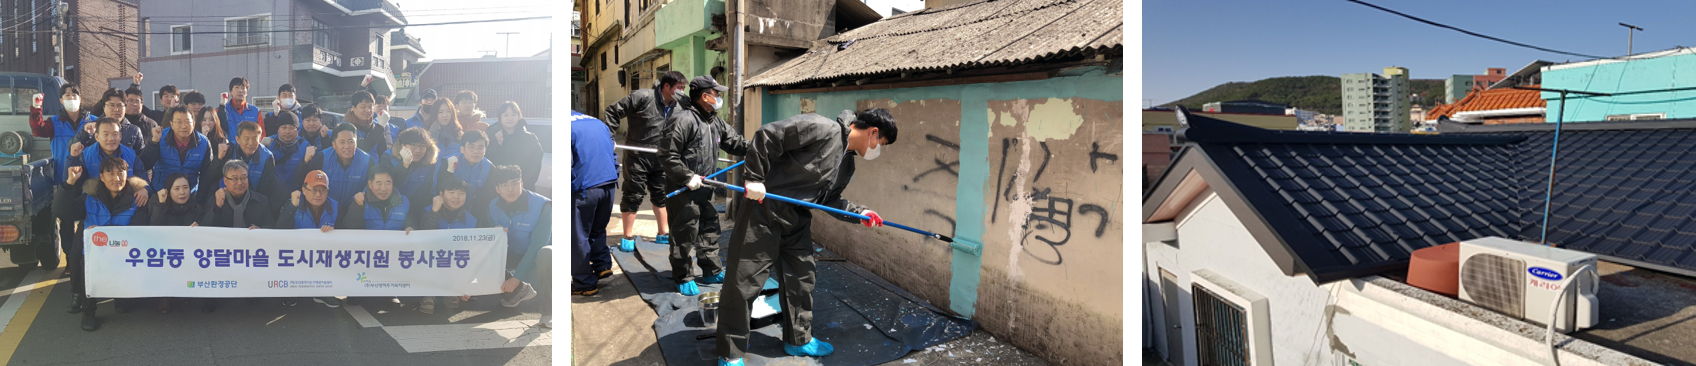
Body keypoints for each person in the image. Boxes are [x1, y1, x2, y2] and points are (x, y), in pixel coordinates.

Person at [717, 108, 899, 363]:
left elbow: (830, 200)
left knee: (801, 279)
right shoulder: (821, 128)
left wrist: (860, 212)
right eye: (881, 143)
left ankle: (798, 340)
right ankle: (730, 353)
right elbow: (767, 135)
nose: (878, 149)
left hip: (797, 220)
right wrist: (754, 178)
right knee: (744, 282)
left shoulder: (847, 164)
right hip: (763, 212)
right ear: (874, 132)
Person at [660, 77, 750, 295]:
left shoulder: (714, 122)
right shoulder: (683, 119)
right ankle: (683, 275)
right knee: (684, 231)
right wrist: (687, 176)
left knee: (709, 228)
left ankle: (710, 270)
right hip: (684, 188)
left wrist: (761, 148)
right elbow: (667, 154)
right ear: (704, 96)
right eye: (716, 93)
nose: (718, 97)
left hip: (706, 185)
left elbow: (736, 143)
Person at [55, 156, 151, 331]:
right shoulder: (89, 198)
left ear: (127, 175)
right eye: (111, 174)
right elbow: (62, 211)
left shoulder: (138, 199)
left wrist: (108, 235)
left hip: (124, 253)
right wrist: (69, 183)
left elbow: (141, 228)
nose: (116, 178)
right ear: (101, 176)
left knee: (123, 306)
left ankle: (125, 297)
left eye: (121, 173)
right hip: (95, 254)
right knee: (85, 265)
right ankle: (89, 311)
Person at [603, 71, 688, 252]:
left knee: (661, 194)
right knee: (633, 193)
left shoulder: (679, 107)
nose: (682, 92)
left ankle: (663, 233)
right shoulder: (642, 97)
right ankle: (627, 235)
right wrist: (609, 138)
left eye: (684, 88)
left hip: (663, 157)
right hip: (637, 155)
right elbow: (612, 111)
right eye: (679, 88)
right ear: (667, 86)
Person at [28, 83, 95, 275]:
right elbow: (37, 129)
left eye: (74, 94)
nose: (71, 98)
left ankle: (91, 256)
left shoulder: (93, 120)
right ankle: (70, 258)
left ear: (80, 98)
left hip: (91, 178)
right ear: (60, 100)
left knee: (91, 216)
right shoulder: (54, 122)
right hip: (65, 179)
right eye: (67, 95)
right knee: (66, 221)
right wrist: (36, 109)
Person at [412, 173, 479, 314]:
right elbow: (424, 236)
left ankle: (452, 290)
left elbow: (472, 250)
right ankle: (429, 294)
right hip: (431, 259)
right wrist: (435, 211)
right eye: (451, 192)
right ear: (441, 194)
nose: (456, 197)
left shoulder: (471, 220)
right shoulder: (428, 211)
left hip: (454, 263)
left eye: (461, 193)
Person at [272, 170, 341, 308]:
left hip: (323, 254)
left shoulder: (335, 206)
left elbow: (344, 231)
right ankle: (291, 291)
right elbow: (280, 230)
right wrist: (292, 207)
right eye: (314, 190)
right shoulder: (293, 203)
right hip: (297, 253)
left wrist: (335, 232)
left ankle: (323, 292)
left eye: (323, 190)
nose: (318, 194)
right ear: (304, 189)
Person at [569, 110, 617, 296]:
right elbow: (613, 152)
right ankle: (602, 264)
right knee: (597, 228)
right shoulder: (596, 121)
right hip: (608, 183)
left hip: (584, 187)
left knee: (577, 236)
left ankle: (584, 283)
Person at [484, 165, 544, 311]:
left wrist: (516, 278)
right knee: (480, 255)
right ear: (497, 189)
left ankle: (548, 310)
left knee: (546, 254)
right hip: (513, 254)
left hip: (540, 257)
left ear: (522, 184)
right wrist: (494, 234)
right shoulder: (493, 205)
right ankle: (520, 292)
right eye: (504, 185)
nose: (510, 189)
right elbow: (487, 241)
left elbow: (537, 246)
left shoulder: (543, 205)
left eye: (514, 184)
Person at [143, 173, 204, 314]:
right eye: (176, 188)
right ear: (168, 191)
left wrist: (200, 228)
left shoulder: (197, 207)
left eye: (185, 187)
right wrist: (161, 204)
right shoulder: (158, 203)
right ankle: (164, 298)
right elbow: (154, 230)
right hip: (165, 253)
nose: (182, 192)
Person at [141, 106, 217, 201]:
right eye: (179, 122)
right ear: (171, 124)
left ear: (193, 124)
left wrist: (199, 201)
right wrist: (154, 142)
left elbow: (206, 175)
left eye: (187, 122)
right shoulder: (160, 137)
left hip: (189, 195)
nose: (183, 126)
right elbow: (145, 164)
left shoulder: (204, 143)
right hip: (162, 193)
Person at [292, 123, 373, 209]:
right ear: (334, 145)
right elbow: (299, 180)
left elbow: (371, 188)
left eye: (351, 141)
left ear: (356, 143)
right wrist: (305, 162)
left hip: (354, 208)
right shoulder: (322, 158)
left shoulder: (367, 161)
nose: (347, 146)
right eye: (342, 142)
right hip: (326, 209)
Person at [76, 118, 146, 196]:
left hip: (125, 202)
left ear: (120, 136)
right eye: (106, 134)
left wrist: (145, 189)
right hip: (95, 202)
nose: (111, 139)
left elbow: (144, 178)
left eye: (115, 134)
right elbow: (76, 185)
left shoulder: (131, 155)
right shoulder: (86, 156)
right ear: (97, 137)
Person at [338, 164, 415, 231]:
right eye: (379, 183)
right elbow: (349, 229)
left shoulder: (404, 202)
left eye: (388, 183)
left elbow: (412, 226)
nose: (383, 188)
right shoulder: (359, 201)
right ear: (370, 184)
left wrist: (410, 228)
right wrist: (357, 207)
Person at [437, 130, 494, 219]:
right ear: (462, 149)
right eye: (471, 147)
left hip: (476, 213)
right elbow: (439, 190)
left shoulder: (490, 167)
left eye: (480, 147)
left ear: (485, 150)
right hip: (447, 212)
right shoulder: (448, 162)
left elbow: (487, 198)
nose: (476, 151)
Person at [383, 128, 438, 218]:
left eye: (422, 146)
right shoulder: (389, 157)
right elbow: (389, 185)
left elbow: (425, 195)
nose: (417, 150)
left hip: (415, 212)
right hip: (390, 209)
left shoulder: (430, 164)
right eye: (413, 146)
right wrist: (405, 164)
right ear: (402, 146)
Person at [486, 101, 543, 190]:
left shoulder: (530, 138)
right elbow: (489, 164)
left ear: (518, 116)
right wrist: (498, 145)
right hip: (498, 189)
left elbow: (535, 167)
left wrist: (520, 186)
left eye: (513, 114)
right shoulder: (491, 137)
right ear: (500, 117)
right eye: (506, 115)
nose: (510, 118)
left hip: (523, 189)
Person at [81, 88, 146, 154]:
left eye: (120, 105)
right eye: (111, 105)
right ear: (104, 107)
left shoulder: (134, 131)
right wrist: (85, 134)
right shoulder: (91, 128)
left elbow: (141, 160)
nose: (116, 109)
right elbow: (75, 150)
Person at [265, 111, 310, 196]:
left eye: (292, 127)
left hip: (296, 195)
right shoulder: (268, 144)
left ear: (297, 129)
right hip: (273, 194)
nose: (287, 131)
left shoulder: (305, 147)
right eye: (284, 127)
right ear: (278, 129)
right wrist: (259, 147)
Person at [341, 90, 390, 157]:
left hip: (375, 167)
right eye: (363, 107)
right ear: (353, 108)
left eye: (370, 107)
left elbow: (382, 151)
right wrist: (380, 126)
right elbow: (364, 147)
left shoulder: (375, 125)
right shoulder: (345, 127)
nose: (368, 110)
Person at [217, 77, 261, 142]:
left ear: (247, 93)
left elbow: (261, 134)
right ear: (231, 92)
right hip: (229, 150)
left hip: (250, 149)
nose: (240, 90)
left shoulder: (256, 111)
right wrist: (222, 106)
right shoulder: (221, 110)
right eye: (237, 87)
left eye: (243, 88)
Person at [121, 84, 162, 150]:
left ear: (142, 105)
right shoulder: (118, 122)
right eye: (131, 101)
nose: (134, 104)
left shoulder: (151, 124)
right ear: (124, 103)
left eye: (137, 101)